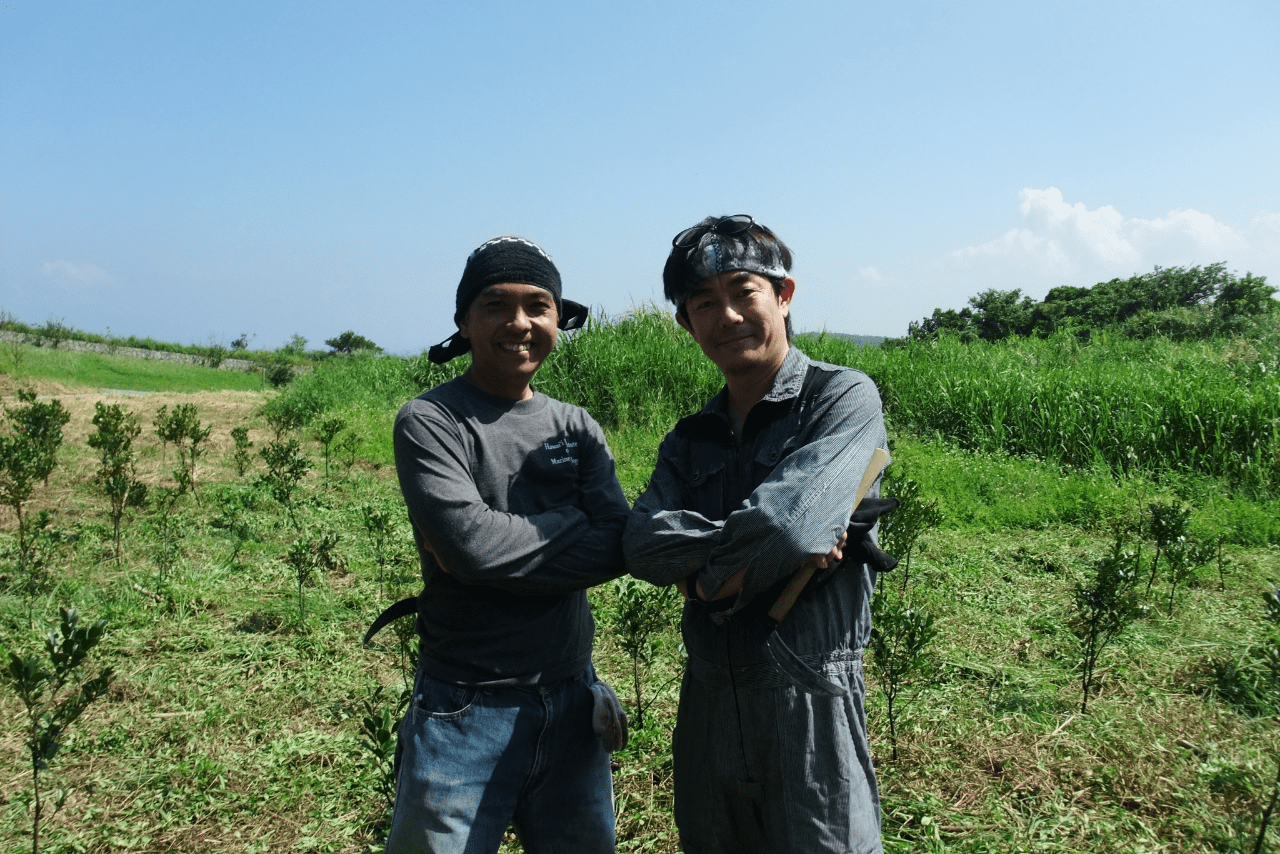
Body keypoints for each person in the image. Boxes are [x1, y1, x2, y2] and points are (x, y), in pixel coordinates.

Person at [623, 215, 895, 854]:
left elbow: (786, 523)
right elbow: (639, 542)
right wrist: (754, 558)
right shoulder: (691, 436)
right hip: (709, 699)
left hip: (809, 689)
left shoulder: (840, 398)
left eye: (744, 291)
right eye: (702, 304)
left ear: (784, 295)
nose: (727, 315)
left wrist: (698, 570)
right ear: (687, 324)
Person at [384, 235, 629, 854]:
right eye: (495, 305)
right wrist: (574, 520)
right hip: (465, 705)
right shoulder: (432, 421)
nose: (519, 323)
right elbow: (471, 547)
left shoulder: (575, 425)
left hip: (573, 700)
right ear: (465, 321)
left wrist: (493, 553)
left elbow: (618, 546)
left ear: (557, 319)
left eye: (538, 305)